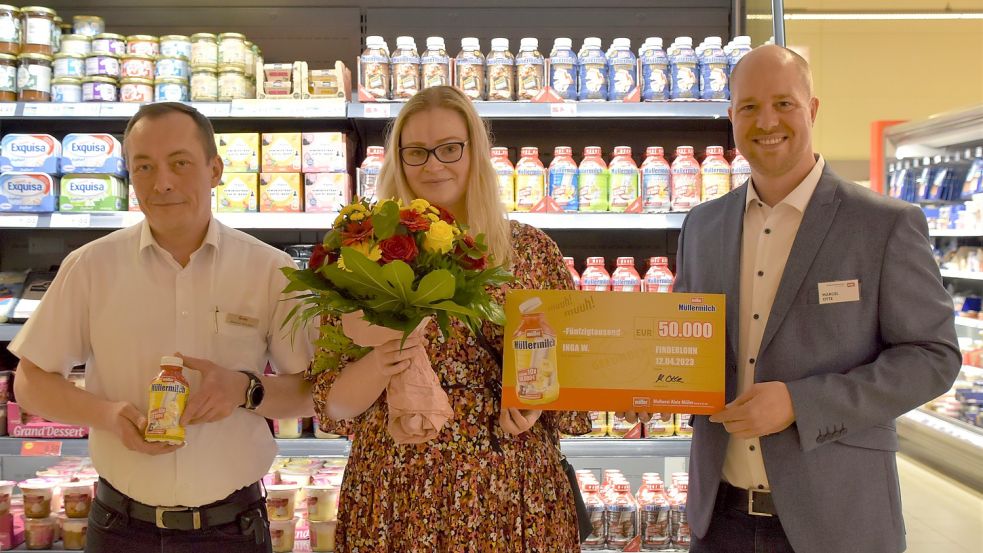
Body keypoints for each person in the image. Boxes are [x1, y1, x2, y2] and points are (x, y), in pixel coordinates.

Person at [670, 45, 960, 553]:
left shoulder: (883, 225)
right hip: (718, 522)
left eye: (784, 103)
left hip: (838, 522)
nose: (767, 121)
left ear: (813, 109)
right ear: (731, 116)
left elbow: (933, 358)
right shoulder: (703, 225)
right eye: (749, 107)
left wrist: (800, 404)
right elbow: (681, 342)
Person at [8, 102, 315, 553]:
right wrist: (107, 415)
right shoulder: (91, 266)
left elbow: (310, 390)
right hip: (119, 528)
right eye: (144, 167)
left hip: (233, 529)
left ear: (215, 169)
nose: (163, 182)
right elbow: (30, 384)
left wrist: (245, 389)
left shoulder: (270, 270)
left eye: (180, 163)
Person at [309, 85, 590, 551]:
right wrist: (383, 361)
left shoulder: (531, 251)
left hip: (513, 491)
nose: (433, 165)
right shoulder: (359, 254)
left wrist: (537, 397)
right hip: (398, 493)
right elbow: (332, 405)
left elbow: (576, 365)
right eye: (416, 152)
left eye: (449, 149)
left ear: (475, 152)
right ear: (398, 158)